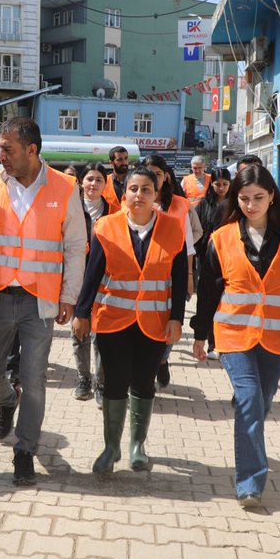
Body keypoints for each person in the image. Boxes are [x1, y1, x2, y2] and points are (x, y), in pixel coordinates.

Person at [192, 165, 280, 508]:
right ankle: (250, 482)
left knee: (259, 403)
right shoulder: (221, 237)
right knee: (251, 401)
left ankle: (246, 412)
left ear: (271, 198)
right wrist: (200, 333)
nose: (251, 205)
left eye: (259, 198)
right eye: (244, 199)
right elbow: (209, 289)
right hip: (233, 333)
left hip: (278, 337)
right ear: (236, 199)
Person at [0, 116, 87, 486]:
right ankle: (6, 400)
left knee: (34, 379)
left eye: (7, 148)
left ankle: (25, 451)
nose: (0, 155)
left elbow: (74, 247)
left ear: (32, 150)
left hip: (40, 300)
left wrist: (69, 295)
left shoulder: (65, 187)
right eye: (0, 148)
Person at [74, 167, 187, 473]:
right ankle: (111, 448)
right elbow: (92, 273)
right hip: (113, 320)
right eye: (134, 189)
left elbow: (179, 278)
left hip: (154, 322)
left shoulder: (173, 228)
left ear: (156, 195)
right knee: (114, 382)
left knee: (143, 381)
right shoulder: (106, 227)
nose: (139, 195)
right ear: (125, 196)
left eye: (146, 189)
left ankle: (138, 447)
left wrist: (177, 318)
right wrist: (81, 313)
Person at [142, 153, 198, 389]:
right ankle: (148, 368)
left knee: (172, 322)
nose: (153, 179)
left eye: (157, 174)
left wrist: (188, 277)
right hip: (143, 276)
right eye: (149, 174)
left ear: (166, 176)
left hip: (173, 274)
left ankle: (162, 359)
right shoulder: (136, 199)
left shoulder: (179, 204)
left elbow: (187, 245)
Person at [72, 162, 117, 402]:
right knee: (79, 329)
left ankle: (101, 382)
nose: (94, 184)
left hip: (105, 279)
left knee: (102, 333)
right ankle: (83, 379)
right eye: (90, 179)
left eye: (99, 179)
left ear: (105, 183)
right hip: (77, 276)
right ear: (81, 181)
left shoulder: (113, 211)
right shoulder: (72, 208)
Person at [194, 167, 232, 361]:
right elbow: (197, 230)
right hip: (207, 258)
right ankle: (211, 341)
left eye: (225, 184)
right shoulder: (203, 204)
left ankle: (221, 341)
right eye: (218, 184)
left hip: (230, 258)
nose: (221, 188)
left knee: (225, 300)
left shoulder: (234, 204)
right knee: (208, 298)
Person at [102, 145, 130, 209]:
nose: (124, 162)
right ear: (111, 163)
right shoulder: (104, 181)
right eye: (119, 160)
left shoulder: (135, 180)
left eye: (126, 158)